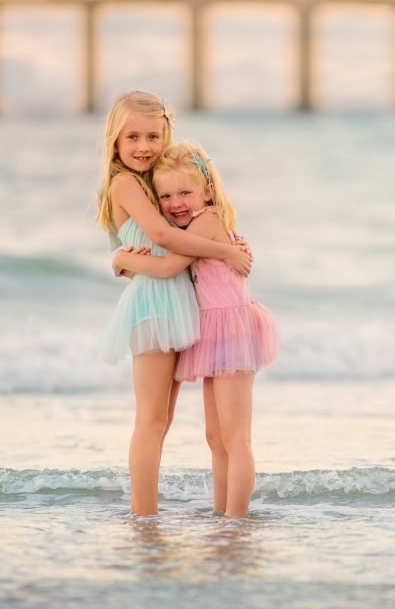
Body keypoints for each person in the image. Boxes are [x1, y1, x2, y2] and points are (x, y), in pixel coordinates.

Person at [96, 91, 252, 516]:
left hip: (178, 308)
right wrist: (224, 250)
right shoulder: (125, 183)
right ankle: (143, 514)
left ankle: (154, 514)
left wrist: (123, 260)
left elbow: (148, 243)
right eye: (133, 137)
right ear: (115, 140)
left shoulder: (159, 184)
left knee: (161, 421)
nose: (143, 146)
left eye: (153, 136)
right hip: (155, 308)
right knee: (151, 420)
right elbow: (161, 241)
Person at [113, 141, 278, 518]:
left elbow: (170, 264)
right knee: (215, 437)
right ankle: (223, 517)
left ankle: (236, 519)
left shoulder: (207, 221)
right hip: (213, 331)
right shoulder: (197, 224)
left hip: (232, 329)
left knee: (235, 438)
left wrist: (121, 260)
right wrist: (121, 258)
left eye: (185, 192)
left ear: (207, 189)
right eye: (166, 195)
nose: (175, 203)